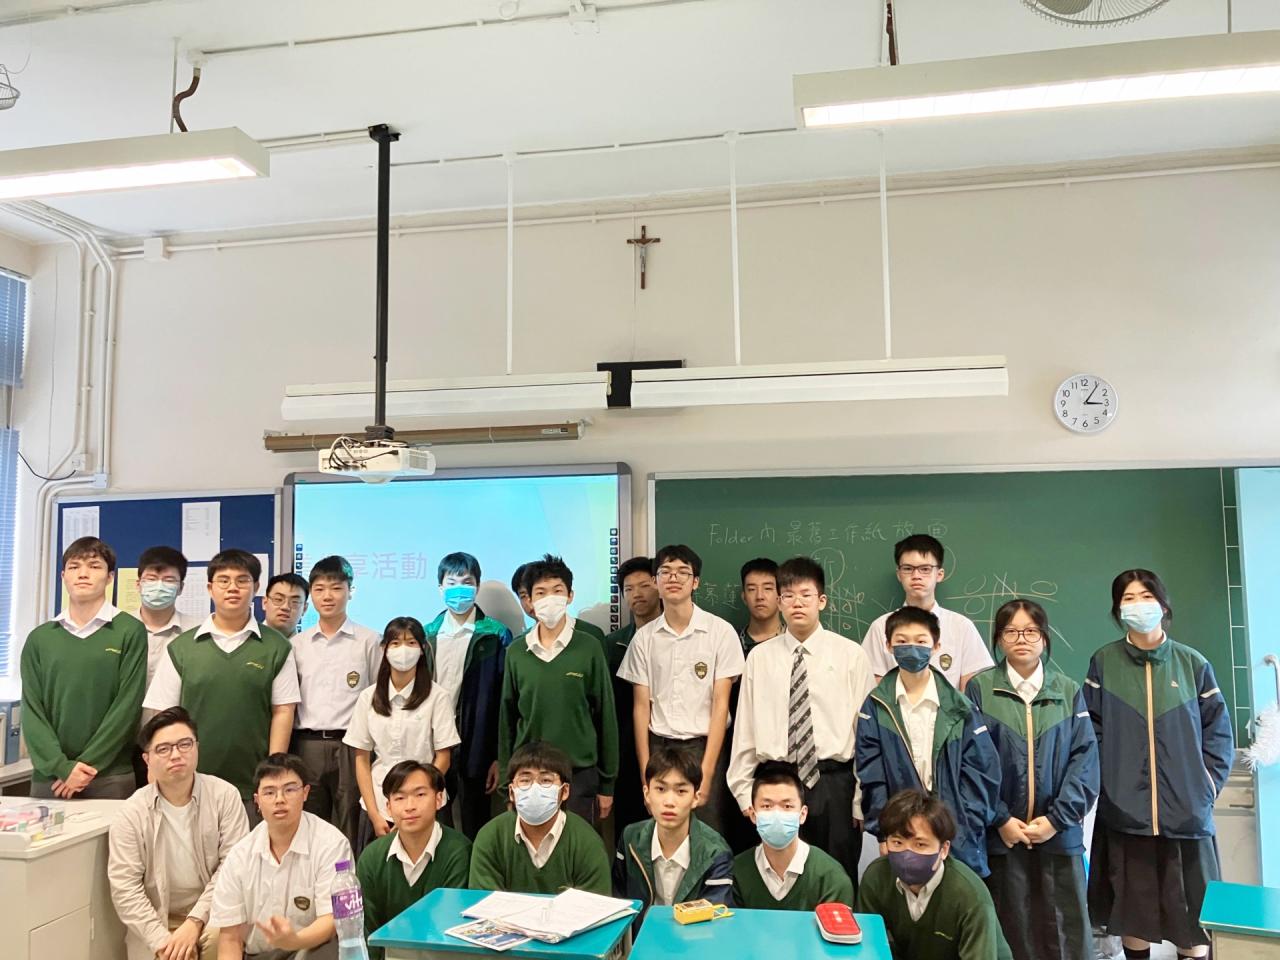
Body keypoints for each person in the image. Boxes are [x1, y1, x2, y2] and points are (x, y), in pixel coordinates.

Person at [1084, 570, 1234, 960]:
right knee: (1133, 918)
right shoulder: (1104, 662)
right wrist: (1109, 784)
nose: (1138, 605)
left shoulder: (1192, 663)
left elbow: (1219, 734)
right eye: (1128, 598)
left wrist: (1205, 787)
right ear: (1117, 609)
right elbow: (1089, 732)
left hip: (1186, 816)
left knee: (1193, 920)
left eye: (1146, 596)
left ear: (1163, 605)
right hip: (1126, 816)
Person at [964, 600, 1098, 960]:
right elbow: (971, 763)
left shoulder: (1067, 690)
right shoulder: (980, 690)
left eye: (1030, 631)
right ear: (998, 638)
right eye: (1011, 631)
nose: (1021, 639)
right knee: (1012, 932)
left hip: (1059, 835)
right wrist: (1001, 818)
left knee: (1065, 935)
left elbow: (1085, 761)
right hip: (1002, 837)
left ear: (1044, 637)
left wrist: (1056, 820)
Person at [728, 556, 875, 883]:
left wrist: (860, 798)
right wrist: (743, 791)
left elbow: (865, 734)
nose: (797, 603)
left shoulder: (851, 655)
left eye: (805, 595)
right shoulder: (759, 658)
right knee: (776, 879)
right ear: (779, 602)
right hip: (775, 784)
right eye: (789, 596)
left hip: (833, 784)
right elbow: (745, 731)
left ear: (821, 601)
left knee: (837, 877)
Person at [144, 550, 301, 822]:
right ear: (209, 588)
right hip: (188, 782)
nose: (233, 588)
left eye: (242, 580)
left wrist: (273, 773)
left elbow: (283, 711)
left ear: (256, 588)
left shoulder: (277, 647)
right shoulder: (182, 648)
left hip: (251, 783)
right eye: (224, 580)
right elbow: (163, 715)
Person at [856, 605, 1000, 878]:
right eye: (902, 641)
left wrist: (965, 824)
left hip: (956, 833)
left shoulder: (961, 708)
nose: (912, 648)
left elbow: (982, 771)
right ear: (888, 646)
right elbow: (872, 776)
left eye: (921, 641)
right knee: (903, 897)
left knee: (956, 897)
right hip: (901, 831)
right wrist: (884, 832)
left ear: (936, 647)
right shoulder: (875, 707)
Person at [617, 544, 743, 835]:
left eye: (682, 572)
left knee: (708, 833)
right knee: (662, 833)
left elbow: (721, 705)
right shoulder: (644, 639)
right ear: (656, 581)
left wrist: (707, 772)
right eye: (666, 572)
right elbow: (641, 708)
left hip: (704, 748)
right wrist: (645, 774)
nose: (673, 578)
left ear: (695, 582)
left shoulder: (720, 632)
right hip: (659, 747)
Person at [108, 707, 249, 960]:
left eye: (185, 744)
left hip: (214, 913)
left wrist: (195, 921)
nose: (176, 755)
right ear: (147, 759)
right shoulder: (131, 813)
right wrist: (163, 942)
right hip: (158, 921)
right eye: (163, 749)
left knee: (223, 937)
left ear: (197, 747)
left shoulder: (225, 796)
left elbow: (234, 869)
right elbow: (125, 888)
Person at [22, 536, 147, 799]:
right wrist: (62, 767)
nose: (83, 573)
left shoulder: (129, 631)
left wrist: (85, 766)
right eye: (74, 566)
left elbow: (127, 707)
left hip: (109, 775)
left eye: (94, 566)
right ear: (63, 576)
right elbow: (32, 711)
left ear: (110, 577)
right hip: (51, 777)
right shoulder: (40, 638)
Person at [498, 554, 618, 824]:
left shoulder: (589, 647)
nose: (549, 599)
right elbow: (507, 720)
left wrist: (607, 784)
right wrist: (507, 783)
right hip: (528, 775)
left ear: (570, 596)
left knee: (578, 846)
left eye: (557, 591)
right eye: (541, 593)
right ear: (529, 600)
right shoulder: (516, 651)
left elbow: (606, 717)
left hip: (579, 774)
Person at [209, 753, 353, 959]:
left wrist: (294, 941)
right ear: (257, 801)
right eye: (269, 792)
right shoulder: (239, 855)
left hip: (310, 949)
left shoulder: (331, 844)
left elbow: (332, 920)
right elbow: (230, 938)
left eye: (289, 790)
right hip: (257, 955)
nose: (280, 800)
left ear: (305, 793)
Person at [856, 789, 1013, 960]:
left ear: (944, 849)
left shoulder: (969, 894)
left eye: (920, 844)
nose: (907, 854)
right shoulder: (876, 877)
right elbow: (866, 948)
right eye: (897, 842)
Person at [345, 617, 459, 850]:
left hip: (425, 805)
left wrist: (420, 796)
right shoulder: (368, 697)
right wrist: (375, 814)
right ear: (384, 649)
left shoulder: (437, 697)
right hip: (379, 804)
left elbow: (443, 756)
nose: (403, 650)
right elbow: (361, 759)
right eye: (395, 643)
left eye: (411, 643)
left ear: (422, 649)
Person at [290, 556, 381, 844]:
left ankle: (349, 875)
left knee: (350, 823)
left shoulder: (369, 641)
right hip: (306, 745)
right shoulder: (297, 645)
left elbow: (379, 697)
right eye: (319, 589)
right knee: (308, 825)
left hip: (351, 746)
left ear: (350, 591)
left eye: (336, 588)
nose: (327, 596)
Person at [425, 552, 512, 840]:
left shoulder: (495, 635)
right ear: (440, 587)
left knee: (476, 823)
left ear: (477, 586)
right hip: (434, 742)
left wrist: (498, 757)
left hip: (477, 745)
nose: (459, 589)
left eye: (466, 582)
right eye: (452, 583)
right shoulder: (426, 635)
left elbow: (504, 701)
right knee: (435, 820)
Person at [356, 761, 471, 960]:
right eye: (400, 798)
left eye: (420, 795)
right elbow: (368, 931)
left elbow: (452, 929)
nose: (409, 806)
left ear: (439, 799)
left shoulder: (459, 852)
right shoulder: (372, 857)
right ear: (388, 807)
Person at [469, 741, 611, 894]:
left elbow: (595, 906)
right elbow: (483, 902)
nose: (534, 788)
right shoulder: (490, 838)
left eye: (546, 780)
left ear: (564, 791)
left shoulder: (587, 843)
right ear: (511, 792)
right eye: (525, 780)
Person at [860, 535, 994, 689]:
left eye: (925, 569)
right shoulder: (880, 627)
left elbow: (972, 688)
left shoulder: (961, 626)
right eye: (908, 569)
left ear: (939, 574)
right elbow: (874, 687)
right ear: (899, 574)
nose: (916, 576)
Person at [613, 745, 733, 916]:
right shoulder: (630, 838)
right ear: (647, 794)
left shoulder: (715, 852)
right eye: (660, 789)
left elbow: (715, 917)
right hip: (641, 933)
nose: (669, 802)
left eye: (681, 791)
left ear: (695, 797)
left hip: (693, 933)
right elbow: (619, 903)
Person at [730, 760, 853, 911]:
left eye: (787, 806)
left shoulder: (831, 877)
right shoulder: (736, 872)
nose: (777, 814)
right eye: (767, 806)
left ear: (802, 814)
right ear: (753, 815)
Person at [605, 556, 661, 831]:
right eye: (629, 589)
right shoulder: (612, 644)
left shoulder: (679, 638)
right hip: (625, 750)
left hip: (666, 743)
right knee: (629, 826)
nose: (637, 594)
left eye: (644, 585)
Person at [136, 545, 201, 688]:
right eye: (151, 579)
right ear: (138, 585)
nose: (159, 586)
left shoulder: (197, 632)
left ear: (181, 588)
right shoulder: (119, 627)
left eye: (169, 580)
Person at [739, 557, 785, 656]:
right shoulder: (730, 642)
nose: (759, 596)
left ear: (781, 596)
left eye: (767, 588)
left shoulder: (795, 640)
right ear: (744, 597)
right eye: (752, 589)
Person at [262, 573, 309, 637]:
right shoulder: (248, 639)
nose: (285, 607)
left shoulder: (308, 643)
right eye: (279, 599)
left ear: (304, 609)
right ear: (264, 603)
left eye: (294, 602)